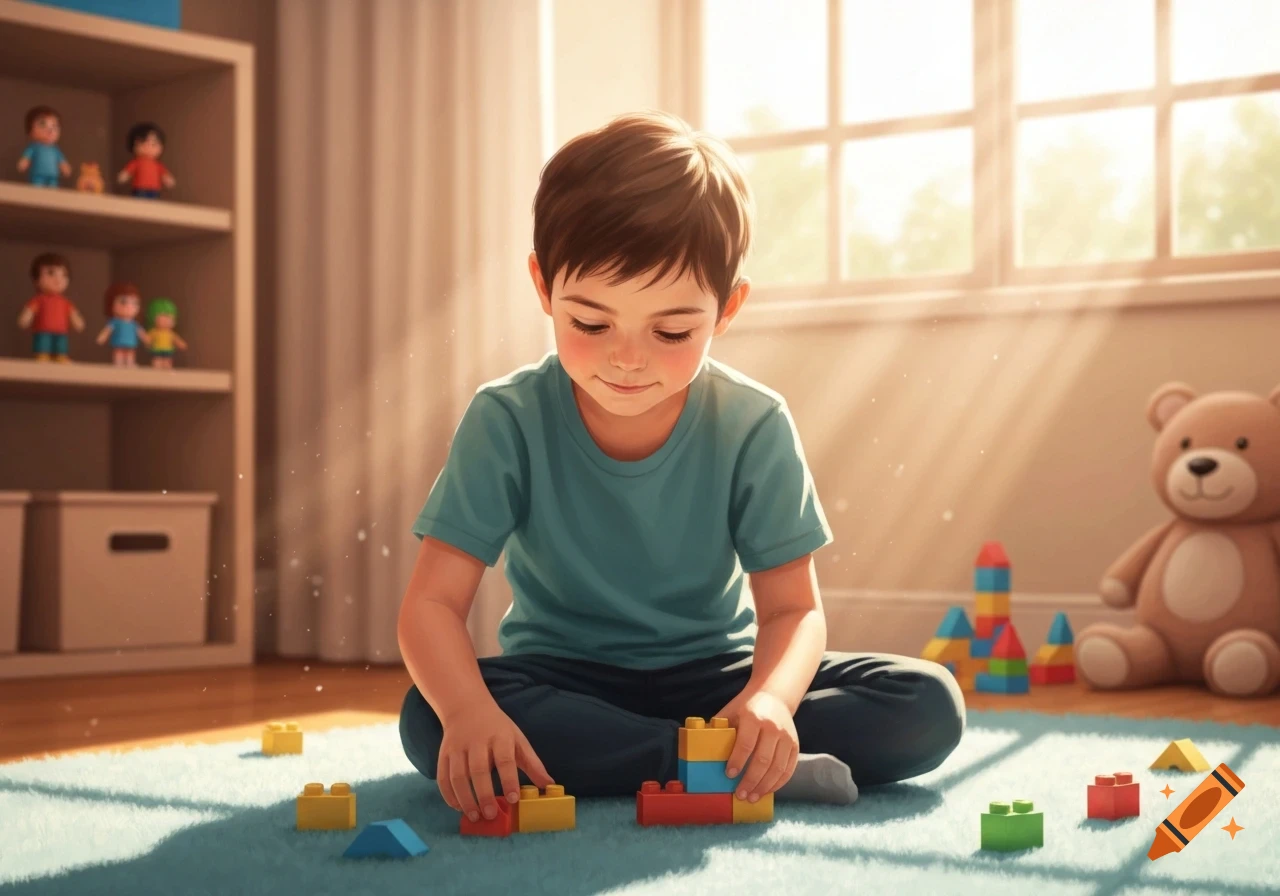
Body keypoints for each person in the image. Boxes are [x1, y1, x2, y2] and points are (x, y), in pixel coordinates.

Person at [397, 110, 965, 828]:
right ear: (543, 287)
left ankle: (700, 755)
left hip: (718, 679)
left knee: (927, 703)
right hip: (564, 677)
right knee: (431, 717)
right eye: (591, 323)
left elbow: (792, 611)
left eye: (671, 331)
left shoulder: (753, 422)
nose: (627, 359)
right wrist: (469, 713)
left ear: (727, 309)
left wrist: (768, 701)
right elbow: (431, 606)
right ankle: (714, 767)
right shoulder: (505, 418)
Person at [17, 253, 84, 361]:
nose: (58, 279)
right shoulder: (38, 300)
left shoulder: (65, 302)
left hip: (61, 331)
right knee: (43, 343)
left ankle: (61, 355)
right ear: (36, 279)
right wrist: (24, 320)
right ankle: (42, 354)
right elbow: (29, 312)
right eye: (51, 273)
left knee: (61, 344)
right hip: (42, 330)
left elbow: (73, 314)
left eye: (64, 275)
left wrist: (78, 323)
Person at [96, 281, 150, 366]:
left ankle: (130, 363)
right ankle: (118, 363)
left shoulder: (134, 324)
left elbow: (141, 332)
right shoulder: (115, 322)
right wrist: (102, 337)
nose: (129, 306)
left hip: (131, 343)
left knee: (130, 353)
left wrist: (147, 339)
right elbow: (107, 330)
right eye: (123, 302)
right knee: (119, 353)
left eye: (135, 303)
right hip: (119, 342)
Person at [117, 122, 176, 199]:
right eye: (143, 143)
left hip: (154, 190)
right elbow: (128, 171)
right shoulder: (136, 162)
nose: (148, 147)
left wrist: (168, 180)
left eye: (153, 144)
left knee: (152, 204)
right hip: (139, 189)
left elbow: (164, 174)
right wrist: (123, 176)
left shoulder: (157, 165)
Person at [17, 106, 71, 188]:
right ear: (30, 131)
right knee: (37, 189)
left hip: (53, 175)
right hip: (37, 174)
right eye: (42, 125)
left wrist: (65, 167)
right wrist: (23, 162)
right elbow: (26, 157)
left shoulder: (55, 150)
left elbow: (61, 161)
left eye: (54, 126)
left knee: (53, 189)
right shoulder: (33, 147)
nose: (50, 130)